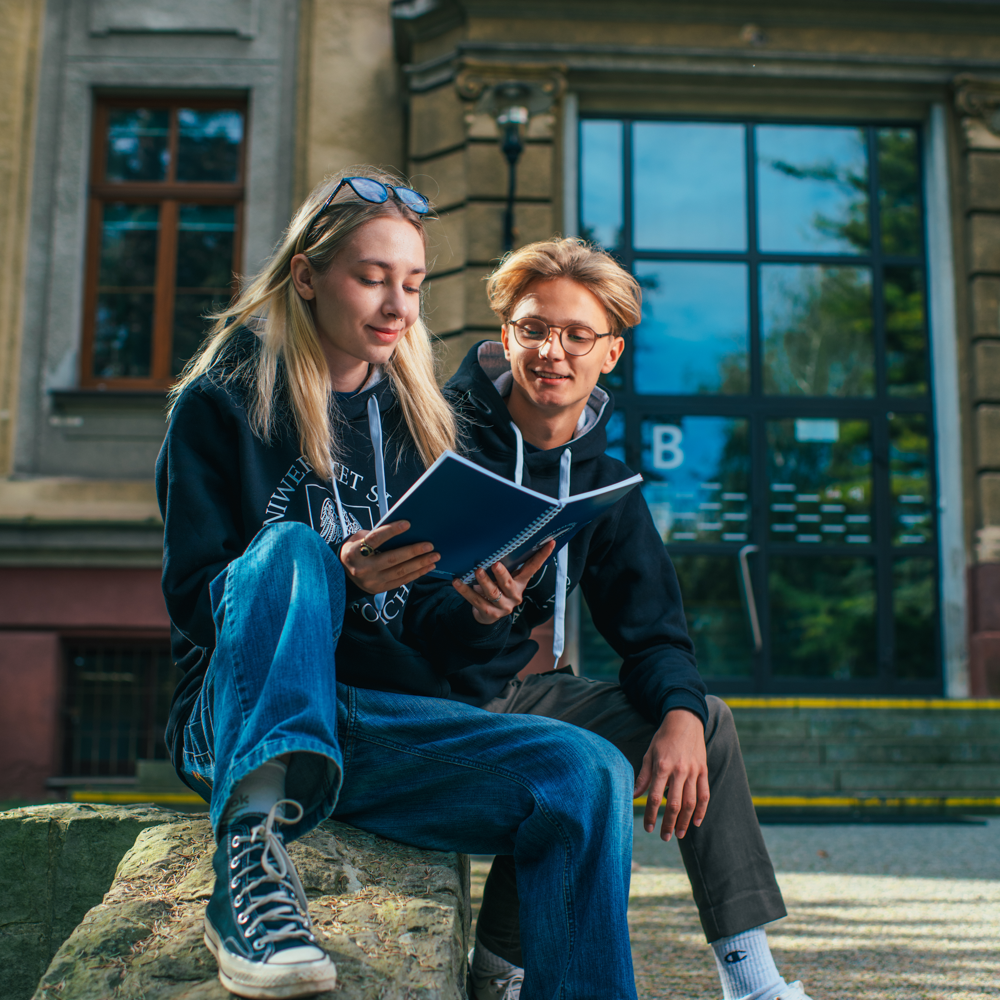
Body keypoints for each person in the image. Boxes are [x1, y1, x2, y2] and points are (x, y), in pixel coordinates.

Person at [157, 174, 640, 1000]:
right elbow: (200, 599)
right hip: (239, 714)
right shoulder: (224, 403)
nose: (397, 305)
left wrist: (483, 611)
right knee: (293, 552)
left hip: (367, 722)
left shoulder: (419, 420)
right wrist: (335, 576)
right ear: (307, 275)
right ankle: (249, 860)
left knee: (590, 773)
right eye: (372, 277)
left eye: (412, 284)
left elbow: (420, 633)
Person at [406, 238, 817, 1000]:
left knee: (704, 720)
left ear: (610, 354)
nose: (551, 351)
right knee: (567, 767)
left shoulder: (603, 485)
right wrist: (471, 616)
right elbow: (398, 613)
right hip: (424, 707)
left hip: (520, 700)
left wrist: (681, 716)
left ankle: (753, 983)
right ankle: (499, 976)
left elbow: (654, 630)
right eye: (532, 329)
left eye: (576, 335)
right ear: (506, 337)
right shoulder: (436, 435)